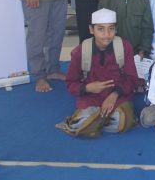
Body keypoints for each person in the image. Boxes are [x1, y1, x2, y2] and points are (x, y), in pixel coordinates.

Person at [57, 9, 138, 137]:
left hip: (118, 97)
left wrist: (115, 94)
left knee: (122, 122)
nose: (107, 34)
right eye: (100, 29)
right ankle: (95, 119)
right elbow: (71, 84)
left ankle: (95, 121)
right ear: (91, 30)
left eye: (111, 29)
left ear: (116, 29)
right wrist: (87, 88)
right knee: (81, 123)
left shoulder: (124, 47)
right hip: (91, 98)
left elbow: (132, 79)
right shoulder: (80, 52)